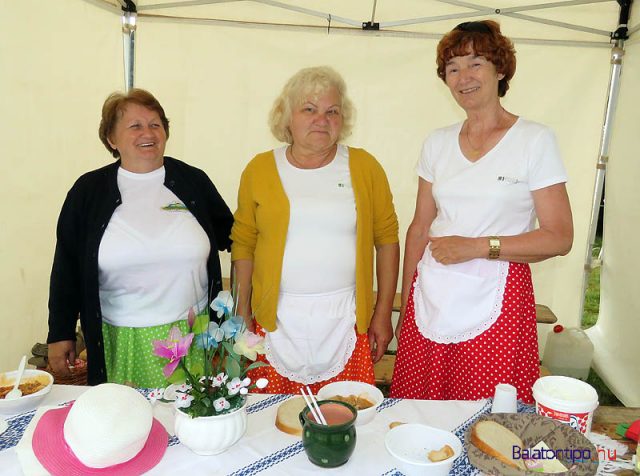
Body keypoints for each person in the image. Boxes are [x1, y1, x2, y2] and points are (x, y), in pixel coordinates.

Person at [390, 21, 573, 404]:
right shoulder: (438, 143)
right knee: (420, 413)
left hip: (498, 300)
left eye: (476, 63)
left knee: (488, 418)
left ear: (500, 69)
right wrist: (407, 302)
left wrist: (475, 247)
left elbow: (559, 236)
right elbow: (420, 227)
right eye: (453, 68)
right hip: (432, 298)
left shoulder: (534, 140)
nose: (463, 77)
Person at [47, 89, 233, 386]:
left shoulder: (193, 181)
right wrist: (60, 332)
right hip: (123, 340)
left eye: (155, 124)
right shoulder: (87, 191)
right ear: (111, 139)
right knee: (128, 424)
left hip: (194, 335)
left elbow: (233, 235)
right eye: (135, 126)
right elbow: (66, 266)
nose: (148, 133)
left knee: (193, 421)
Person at [231, 66, 399, 394]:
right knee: (272, 422)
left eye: (332, 111)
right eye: (309, 109)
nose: (321, 119)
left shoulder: (364, 167)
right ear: (286, 117)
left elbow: (387, 239)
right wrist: (241, 311)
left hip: (346, 322)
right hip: (274, 322)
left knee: (343, 419)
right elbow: (244, 243)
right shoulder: (259, 169)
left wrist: (382, 314)